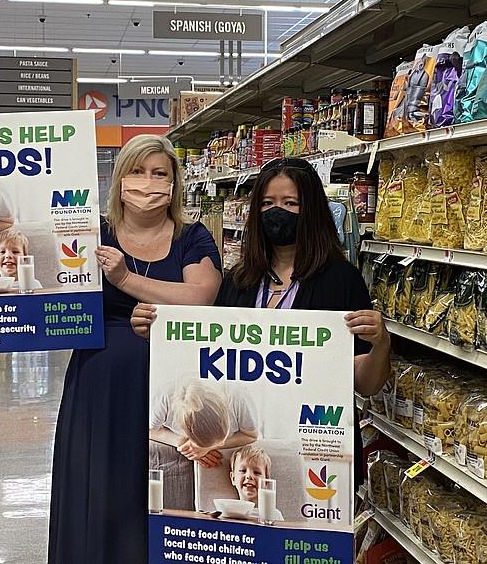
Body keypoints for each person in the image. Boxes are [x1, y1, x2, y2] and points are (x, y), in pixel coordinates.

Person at [132, 156, 392, 490]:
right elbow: (207, 356)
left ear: (311, 209)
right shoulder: (239, 281)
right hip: (239, 457)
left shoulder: (341, 280)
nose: (276, 211)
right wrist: (159, 334)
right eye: (267, 203)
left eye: (290, 203)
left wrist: (381, 344)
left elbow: (366, 384)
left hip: (316, 445)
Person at [48, 134, 222, 564]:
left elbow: (202, 296)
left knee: (153, 490)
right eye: (138, 171)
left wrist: (126, 279)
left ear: (174, 184)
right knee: (98, 486)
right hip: (99, 389)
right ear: (119, 179)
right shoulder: (93, 231)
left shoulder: (191, 237)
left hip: (166, 394)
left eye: (159, 173)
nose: (148, 182)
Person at [149, 380, 258, 469]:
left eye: (220, 441)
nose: (222, 444)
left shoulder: (237, 397)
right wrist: (182, 443)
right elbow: (148, 430)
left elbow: (251, 435)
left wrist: (205, 449)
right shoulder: (165, 398)